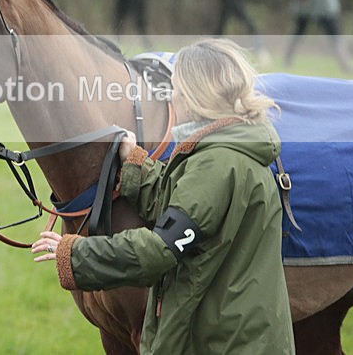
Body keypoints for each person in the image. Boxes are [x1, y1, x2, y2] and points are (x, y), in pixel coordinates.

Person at [32, 38, 295, 354]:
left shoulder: (217, 164)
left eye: (177, 89)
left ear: (198, 96)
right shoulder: (231, 150)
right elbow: (187, 209)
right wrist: (136, 165)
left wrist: (75, 253)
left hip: (225, 344)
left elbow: (160, 250)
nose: (172, 97)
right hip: (239, 336)